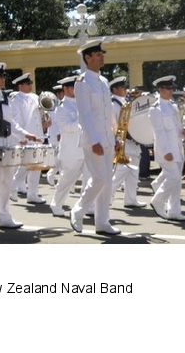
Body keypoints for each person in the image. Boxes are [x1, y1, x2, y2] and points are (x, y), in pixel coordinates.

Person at [0, 62, 40, 229]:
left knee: (7, 181)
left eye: (3, 76)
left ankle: (4, 216)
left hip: (7, 144)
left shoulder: (6, 98)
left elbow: (11, 123)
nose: (2, 79)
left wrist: (25, 134)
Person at [71, 39, 121, 236]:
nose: (102, 57)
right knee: (99, 179)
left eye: (102, 54)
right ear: (88, 57)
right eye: (98, 54)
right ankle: (78, 210)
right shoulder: (82, 82)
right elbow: (84, 115)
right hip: (94, 140)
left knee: (107, 182)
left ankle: (102, 222)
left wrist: (115, 135)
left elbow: (108, 113)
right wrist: (94, 141)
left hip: (107, 138)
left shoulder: (103, 81)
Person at [148, 75, 185, 222]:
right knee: (174, 177)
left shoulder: (172, 106)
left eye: (172, 88)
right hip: (166, 150)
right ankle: (158, 200)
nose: (171, 91)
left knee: (177, 182)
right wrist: (166, 151)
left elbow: (176, 128)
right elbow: (159, 133)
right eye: (167, 88)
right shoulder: (155, 109)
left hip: (177, 148)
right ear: (160, 90)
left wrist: (183, 133)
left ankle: (174, 211)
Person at [8, 73, 48, 206]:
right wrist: (21, 137)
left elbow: (40, 114)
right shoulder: (15, 99)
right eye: (27, 84)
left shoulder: (35, 97)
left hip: (38, 135)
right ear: (20, 86)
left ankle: (32, 194)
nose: (30, 85)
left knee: (36, 167)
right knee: (25, 166)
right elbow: (15, 120)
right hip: (27, 136)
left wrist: (45, 122)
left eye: (30, 83)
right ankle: (12, 187)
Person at [50, 76, 83, 217]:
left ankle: (88, 206)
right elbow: (66, 127)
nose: (76, 90)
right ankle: (56, 204)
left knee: (90, 179)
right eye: (73, 87)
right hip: (71, 150)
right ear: (65, 89)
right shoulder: (61, 107)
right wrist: (82, 121)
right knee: (67, 179)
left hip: (85, 148)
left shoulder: (82, 103)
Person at [109, 76, 141, 209]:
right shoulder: (113, 104)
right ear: (115, 89)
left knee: (133, 173)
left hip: (133, 142)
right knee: (120, 173)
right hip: (123, 143)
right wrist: (116, 142)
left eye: (125, 87)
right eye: (122, 87)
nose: (125, 89)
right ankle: (107, 197)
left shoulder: (125, 102)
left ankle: (130, 199)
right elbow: (112, 125)